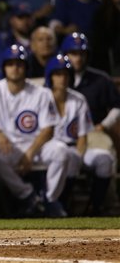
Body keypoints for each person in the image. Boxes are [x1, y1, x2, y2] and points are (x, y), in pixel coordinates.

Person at [0, 45, 70, 217]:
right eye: (10, 64)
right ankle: (29, 196)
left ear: (26, 67)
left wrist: (30, 153)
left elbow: (48, 129)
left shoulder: (41, 93)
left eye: (19, 64)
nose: (15, 68)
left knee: (61, 151)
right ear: (4, 67)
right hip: (9, 147)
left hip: (37, 146)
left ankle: (50, 199)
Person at [44, 55, 114, 216]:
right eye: (58, 74)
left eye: (66, 74)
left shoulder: (78, 99)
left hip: (75, 148)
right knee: (64, 154)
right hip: (49, 150)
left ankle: (95, 209)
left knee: (105, 159)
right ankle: (59, 205)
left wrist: (79, 156)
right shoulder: (41, 98)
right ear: (50, 76)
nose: (62, 78)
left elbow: (83, 136)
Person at [61, 33, 120, 160]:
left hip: (93, 131)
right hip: (61, 133)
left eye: (82, 54)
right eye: (73, 54)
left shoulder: (101, 79)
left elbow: (117, 106)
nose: (78, 58)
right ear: (65, 55)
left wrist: (104, 125)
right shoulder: (56, 78)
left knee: (105, 158)